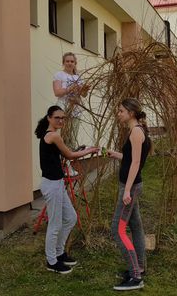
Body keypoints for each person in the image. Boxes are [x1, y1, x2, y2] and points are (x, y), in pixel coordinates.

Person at [35, 105, 99, 274]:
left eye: (63, 118)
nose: (61, 120)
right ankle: (52, 261)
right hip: (52, 185)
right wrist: (89, 150)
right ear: (49, 118)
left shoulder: (52, 135)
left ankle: (59, 252)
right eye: (57, 118)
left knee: (70, 217)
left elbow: (62, 156)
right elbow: (70, 155)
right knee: (55, 224)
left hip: (57, 183)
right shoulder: (53, 135)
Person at [107, 98, 152, 291]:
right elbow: (133, 158)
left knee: (117, 229)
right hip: (133, 185)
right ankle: (139, 268)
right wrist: (115, 154)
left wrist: (127, 190)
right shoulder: (139, 130)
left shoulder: (135, 131)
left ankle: (135, 276)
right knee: (135, 226)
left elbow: (135, 164)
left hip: (130, 186)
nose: (119, 114)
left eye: (121, 111)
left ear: (131, 113)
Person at [52, 52, 89, 149]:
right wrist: (70, 89)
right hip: (63, 110)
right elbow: (57, 92)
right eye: (67, 61)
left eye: (72, 61)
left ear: (75, 63)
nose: (69, 63)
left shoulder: (78, 77)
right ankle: (61, 161)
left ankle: (69, 161)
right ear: (63, 62)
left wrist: (85, 90)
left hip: (76, 111)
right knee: (62, 137)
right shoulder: (59, 75)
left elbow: (83, 95)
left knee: (72, 138)